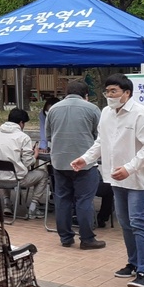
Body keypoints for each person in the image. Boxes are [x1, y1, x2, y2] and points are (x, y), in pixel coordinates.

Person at [72, 74, 144, 287]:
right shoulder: (106, 113)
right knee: (125, 222)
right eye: (107, 91)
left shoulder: (142, 115)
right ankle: (133, 263)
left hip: (141, 178)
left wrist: (129, 168)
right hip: (117, 177)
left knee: (140, 222)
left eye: (114, 91)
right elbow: (101, 142)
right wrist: (86, 158)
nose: (110, 95)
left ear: (127, 93)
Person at [46, 80, 104, 249]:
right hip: (85, 162)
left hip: (59, 162)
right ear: (86, 95)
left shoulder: (53, 109)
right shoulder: (92, 109)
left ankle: (65, 237)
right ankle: (87, 239)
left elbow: (49, 135)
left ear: (66, 93)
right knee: (84, 200)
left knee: (62, 199)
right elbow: (99, 136)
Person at [0, 108, 49, 220]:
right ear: (21, 123)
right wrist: (35, 155)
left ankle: (7, 203)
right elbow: (28, 162)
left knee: (5, 170)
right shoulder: (23, 137)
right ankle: (33, 207)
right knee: (43, 175)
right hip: (15, 179)